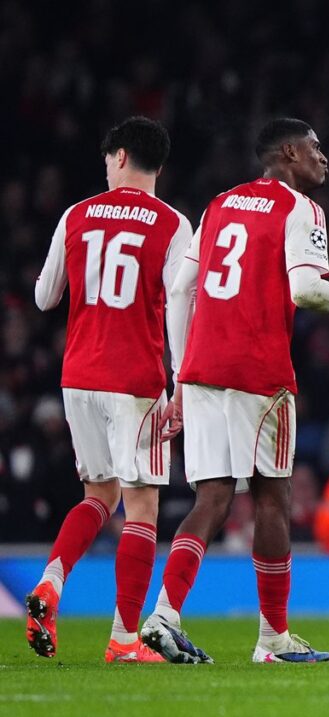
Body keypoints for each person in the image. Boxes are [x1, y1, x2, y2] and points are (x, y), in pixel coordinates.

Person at [139, 118, 329, 664]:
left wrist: (181, 372)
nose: (324, 158)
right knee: (273, 496)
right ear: (290, 152)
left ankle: (163, 613)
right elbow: (306, 289)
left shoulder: (220, 202)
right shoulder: (300, 209)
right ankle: (273, 639)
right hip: (259, 373)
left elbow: (179, 287)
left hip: (202, 370)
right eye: (317, 148)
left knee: (213, 497)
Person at [28, 116, 192, 663]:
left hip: (78, 377)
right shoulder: (172, 223)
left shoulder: (76, 214)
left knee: (98, 496)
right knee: (141, 507)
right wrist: (181, 382)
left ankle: (52, 580)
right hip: (135, 380)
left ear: (120, 157)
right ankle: (123, 640)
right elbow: (178, 308)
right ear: (156, 165)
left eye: (106, 158)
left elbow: (44, 297)